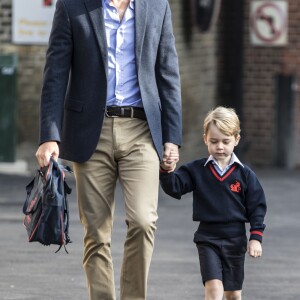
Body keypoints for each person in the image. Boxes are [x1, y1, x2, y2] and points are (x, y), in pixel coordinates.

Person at [35, 0, 182, 299]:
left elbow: (168, 73)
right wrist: (49, 135)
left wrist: (172, 137)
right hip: (91, 130)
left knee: (143, 221)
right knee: (97, 233)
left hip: (141, 130)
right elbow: (55, 73)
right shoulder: (72, 6)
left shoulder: (157, 7)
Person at [159, 106, 267, 300]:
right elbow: (174, 187)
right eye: (214, 141)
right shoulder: (196, 170)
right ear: (205, 139)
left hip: (235, 240)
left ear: (236, 140)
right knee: (214, 290)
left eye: (226, 141)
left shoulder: (245, 175)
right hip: (207, 238)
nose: (219, 147)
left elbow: (256, 206)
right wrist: (166, 170)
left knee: (233, 294)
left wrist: (256, 237)